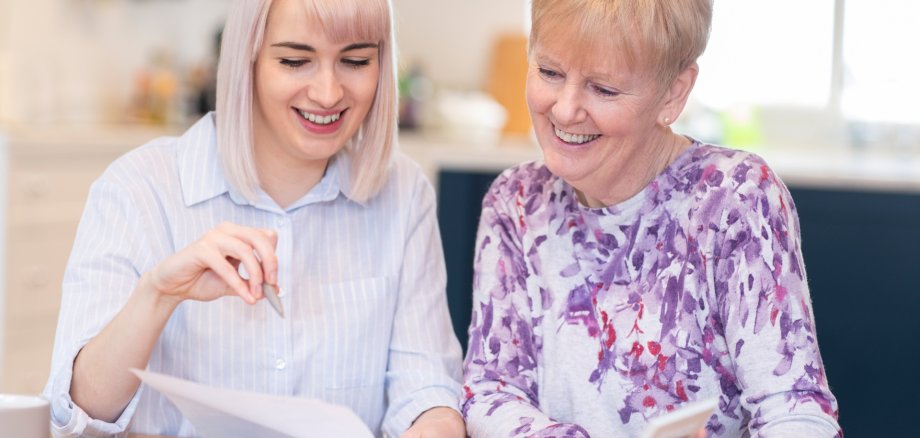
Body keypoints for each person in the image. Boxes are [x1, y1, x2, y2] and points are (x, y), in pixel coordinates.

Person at [42, 0, 465, 436]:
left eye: (355, 61)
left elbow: (425, 388)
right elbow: (76, 414)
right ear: (249, 58)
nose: (328, 93)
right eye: (295, 61)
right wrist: (158, 294)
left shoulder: (404, 193)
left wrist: (438, 422)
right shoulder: (138, 188)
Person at [461, 0, 842, 436]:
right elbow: (491, 390)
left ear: (673, 93)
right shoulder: (516, 202)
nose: (564, 110)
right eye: (549, 72)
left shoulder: (735, 198)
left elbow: (794, 410)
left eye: (603, 89)